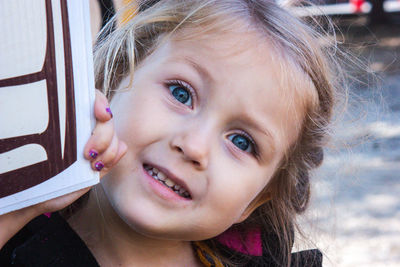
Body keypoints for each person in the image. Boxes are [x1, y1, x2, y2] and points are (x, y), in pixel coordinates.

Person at [0, 0, 341, 266]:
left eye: (242, 142)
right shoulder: (14, 235)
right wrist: (16, 210)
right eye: (181, 93)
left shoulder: (264, 261)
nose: (193, 146)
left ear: (256, 200)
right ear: (118, 77)